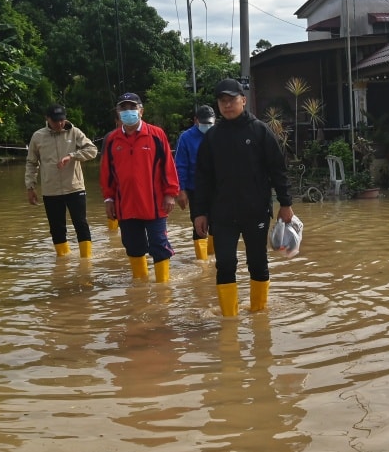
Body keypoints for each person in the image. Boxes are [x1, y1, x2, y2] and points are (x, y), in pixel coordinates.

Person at [191, 78, 294, 316]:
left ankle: (259, 314)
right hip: (222, 214)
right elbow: (203, 178)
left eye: (232, 100)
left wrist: (286, 204)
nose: (227, 105)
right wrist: (200, 213)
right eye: (222, 101)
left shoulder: (260, 131)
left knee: (257, 263)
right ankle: (229, 318)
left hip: (255, 210)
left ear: (243, 100)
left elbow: (277, 169)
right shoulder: (212, 137)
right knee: (225, 264)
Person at [99, 92, 181, 282]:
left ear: (141, 111)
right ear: (118, 113)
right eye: (123, 108)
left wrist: (170, 194)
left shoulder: (156, 134)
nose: (128, 112)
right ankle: (140, 289)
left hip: (154, 204)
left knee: (159, 245)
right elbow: (107, 174)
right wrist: (108, 199)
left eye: (132, 108)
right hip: (125, 205)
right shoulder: (112, 140)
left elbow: (168, 166)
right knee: (133, 246)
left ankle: (163, 289)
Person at [25, 104, 99, 257]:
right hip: (51, 191)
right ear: (47, 119)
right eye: (55, 121)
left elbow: (92, 150)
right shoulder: (38, 136)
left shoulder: (74, 132)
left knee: (81, 224)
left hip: (75, 187)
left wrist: (72, 155)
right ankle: (63, 261)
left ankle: (86, 261)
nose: (59, 124)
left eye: (62, 120)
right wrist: (30, 187)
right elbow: (31, 163)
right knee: (56, 228)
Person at [174, 104, 217, 260]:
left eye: (210, 123)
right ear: (195, 121)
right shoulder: (185, 138)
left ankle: (212, 257)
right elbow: (180, 165)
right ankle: (202, 261)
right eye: (203, 123)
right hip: (195, 189)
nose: (206, 126)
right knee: (198, 223)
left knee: (217, 222)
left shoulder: (218, 134)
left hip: (216, 188)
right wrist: (181, 190)